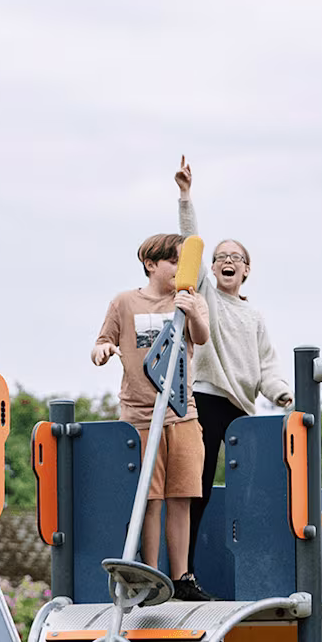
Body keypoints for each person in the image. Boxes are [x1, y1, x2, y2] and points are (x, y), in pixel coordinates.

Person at [172, 158, 294, 573]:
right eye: (221, 256)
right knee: (198, 487)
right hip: (207, 400)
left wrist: (285, 395)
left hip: (244, 411)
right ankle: (184, 569)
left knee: (255, 492)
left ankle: (260, 567)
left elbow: (268, 367)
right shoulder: (206, 292)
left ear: (246, 270)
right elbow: (192, 241)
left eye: (235, 257)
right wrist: (186, 196)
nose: (227, 261)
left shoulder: (255, 316)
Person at [93, 234, 214, 601]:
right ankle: (150, 576)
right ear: (151, 264)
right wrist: (103, 350)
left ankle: (182, 578)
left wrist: (192, 310)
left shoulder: (191, 300)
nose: (180, 270)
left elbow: (202, 338)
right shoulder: (125, 302)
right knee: (150, 499)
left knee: (182, 497)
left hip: (182, 414)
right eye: (173, 262)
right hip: (140, 416)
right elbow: (102, 341)